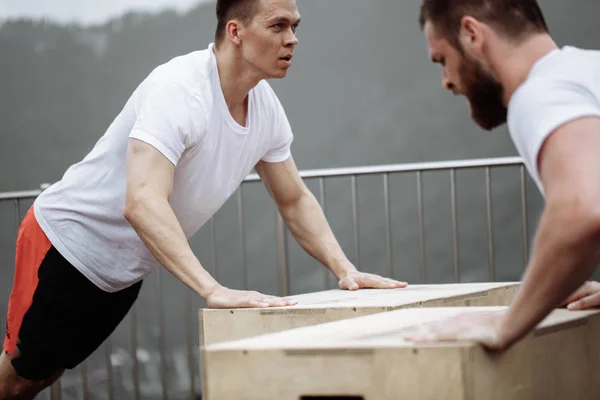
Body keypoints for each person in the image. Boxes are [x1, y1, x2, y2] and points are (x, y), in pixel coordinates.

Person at [0, 0, 406, 397]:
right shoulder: (178, 89)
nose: (293, 39)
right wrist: (212, 289)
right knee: (15, 379)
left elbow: (293, 199)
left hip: (122, 272)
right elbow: (142, 201)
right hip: (66, 243)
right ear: (236, 32)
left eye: (295, 27)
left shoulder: (265, 108)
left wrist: (345, 270)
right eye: (278, 26)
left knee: (43, 375)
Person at [403, 0, 600, 351]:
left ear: (471, 34)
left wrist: (507, 324)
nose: (447, 82)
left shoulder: (541, 93)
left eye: (443, 60)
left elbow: (581, 208)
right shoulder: (588, 69)